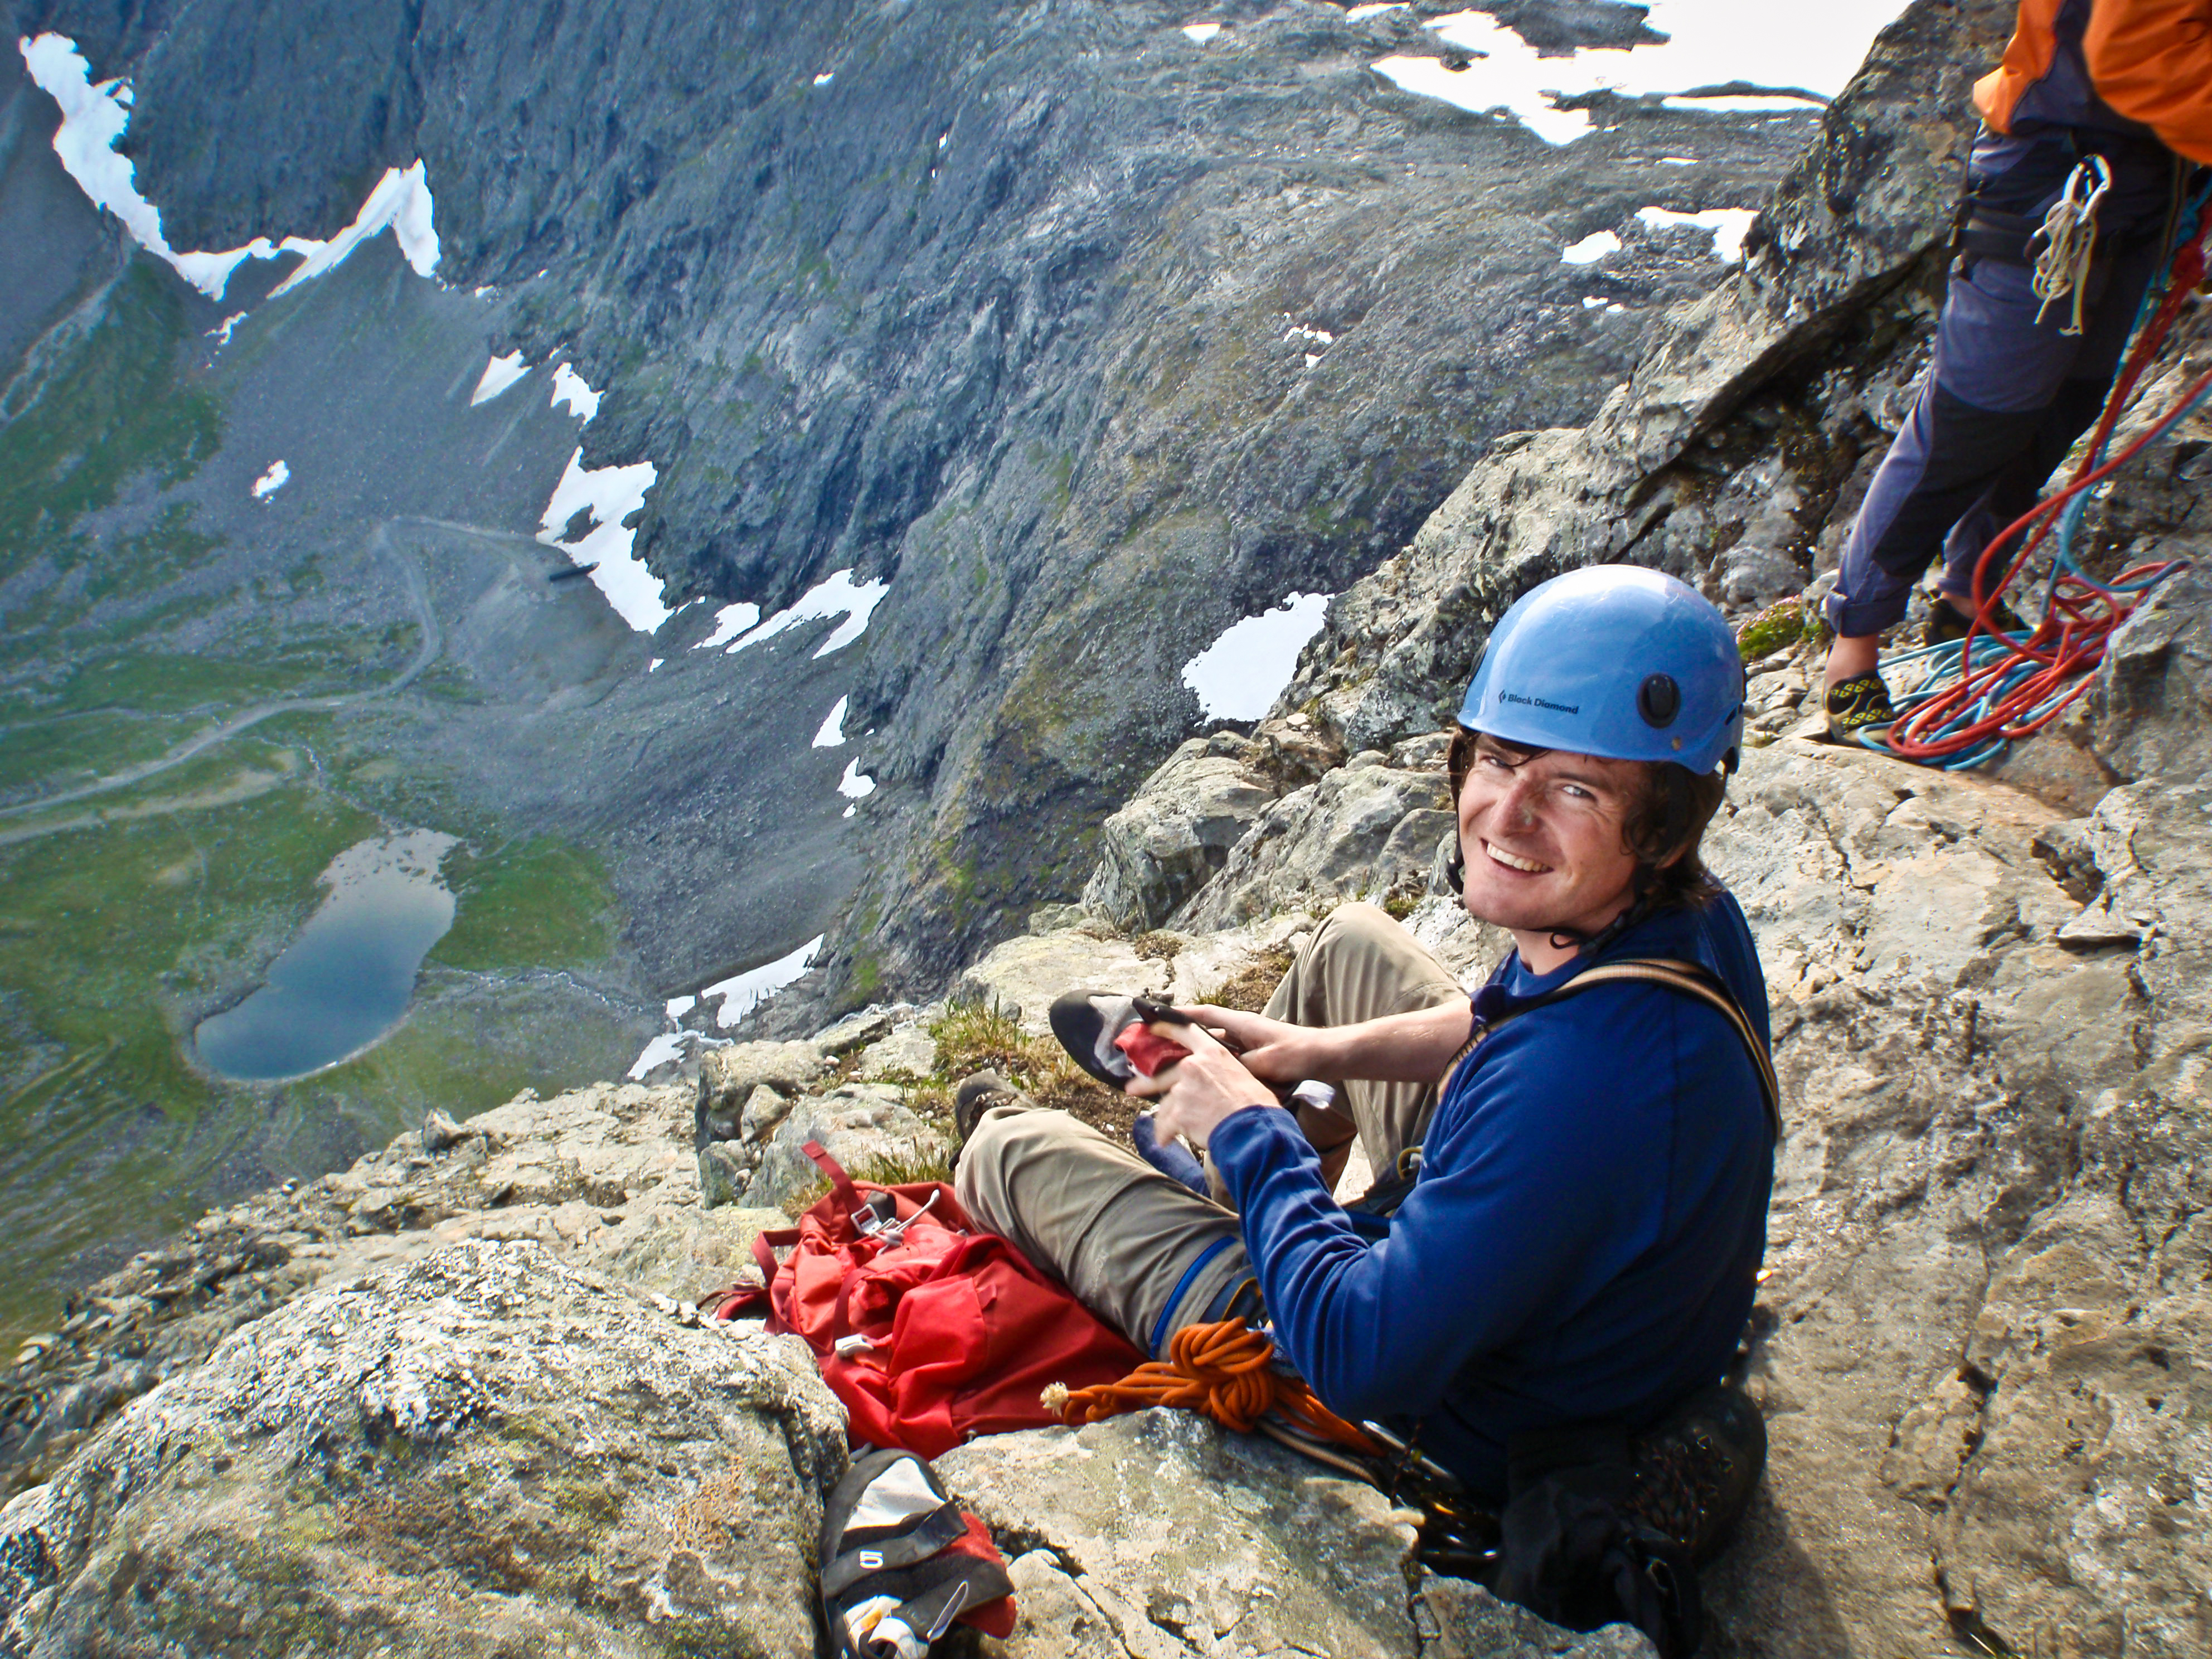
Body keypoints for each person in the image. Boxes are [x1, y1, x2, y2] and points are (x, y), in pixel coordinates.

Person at [953, 566, 1774, 1505]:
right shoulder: (1685, 926)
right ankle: (1244, 1184)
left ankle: (1232, 1193)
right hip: (1564, 1303)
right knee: (1351, 945)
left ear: (1665, 826)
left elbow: (1355, 1353)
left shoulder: (1570, 1091)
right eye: (1502, 760)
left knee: (1014, 1152)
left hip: (1427, 1409)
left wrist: (1249, 1128)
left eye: (1577, 790)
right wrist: (1312, 1051)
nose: (1507, 816)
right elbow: (1496, 1015)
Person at [1822, 0, 2212, 740]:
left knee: (2064, 404)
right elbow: (2131, 53)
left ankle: (1969, 600)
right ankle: (1854, 651)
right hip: (2054, 183)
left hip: (2141, 186)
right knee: (1974, 419)